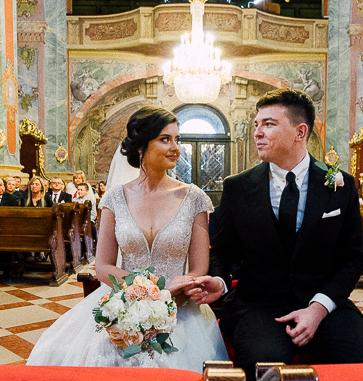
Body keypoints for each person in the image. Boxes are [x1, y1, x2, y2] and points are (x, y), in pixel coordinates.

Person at [187, 89, 363, 379]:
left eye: (269, 124)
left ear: (300, 132)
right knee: (264, 369)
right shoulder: (239, 187)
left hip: (322, 303)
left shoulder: (340, 185)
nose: (257, 132)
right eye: (257, 124)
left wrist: (319, 308)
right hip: (259, 305)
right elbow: (221, 250)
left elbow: (352, 258)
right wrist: (220, 282)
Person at [27, 106, 227, 370]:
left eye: (177, 139)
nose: (175, 148)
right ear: (141, 147)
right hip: (123, 304)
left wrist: (170, 295)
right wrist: (146, 293)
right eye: (165, 139)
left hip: (179, 307)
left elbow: (199, 267)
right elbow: (103, 266)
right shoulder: (115, 198)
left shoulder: (194, 198)